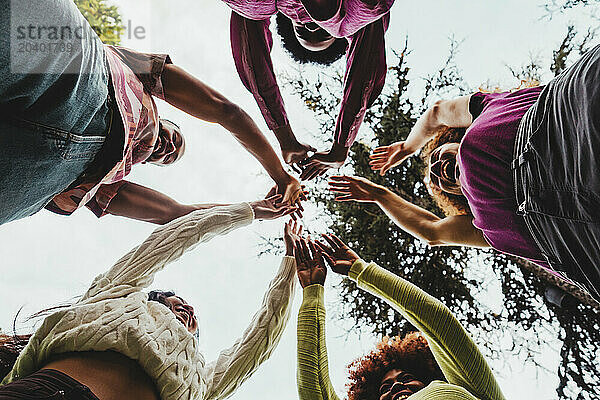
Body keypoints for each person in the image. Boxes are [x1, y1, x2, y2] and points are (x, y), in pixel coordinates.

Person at [0, 0, 303, 226]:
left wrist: (257, 209)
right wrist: (281, 175)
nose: (170, 147)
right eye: (175, 137)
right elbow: (228, 113)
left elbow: (176, 214)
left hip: (45, 179)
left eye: (169, 156)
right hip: (86, 81)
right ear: (163, 114)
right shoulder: (141, 74)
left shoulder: (112, 181)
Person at [339, 45, 600, 301]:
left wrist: (408, 147)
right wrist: (379, 195)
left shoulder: (488, 110)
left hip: (572, 116)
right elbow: (432, 231)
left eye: (438, 154)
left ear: (458, 135)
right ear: (459, 197)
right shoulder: (482, 223)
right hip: (576, 230)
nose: (436, 167)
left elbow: (437, 113)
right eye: (440, 183)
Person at [0, 198, 301, 400]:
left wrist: (290, 265)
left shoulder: (199, 377)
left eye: (193, 321)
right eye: (175, 301)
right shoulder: (117, 294)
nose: (188, 309)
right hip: (47, 392)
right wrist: (251, 211)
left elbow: (259, 341)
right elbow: (174, 238)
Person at [293, 234, 506, 400]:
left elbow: (439, 321)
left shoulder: (467, 388)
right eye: (384, 389)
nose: (396, 385)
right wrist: (312, 293)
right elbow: (315, 390)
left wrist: (363, 271)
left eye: (407, 378)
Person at [223, 0, 394, 180]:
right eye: (324, 33)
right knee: (366, 16)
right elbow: (364, 76)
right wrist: (341, 146)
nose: (312, 28)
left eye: (301, 30)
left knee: (252, 9)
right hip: (351, 14)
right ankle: (334, 21)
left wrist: (285, 138)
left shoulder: (273, 5)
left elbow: (253, 63)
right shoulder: (354, 16)